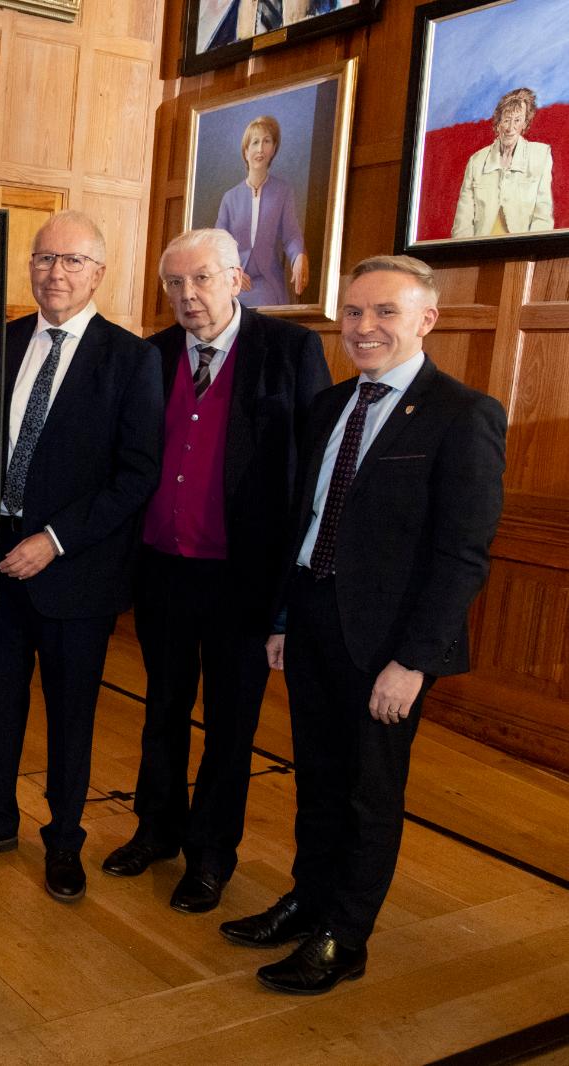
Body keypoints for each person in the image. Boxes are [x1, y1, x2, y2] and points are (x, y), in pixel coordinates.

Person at [221, 256, 506, 994]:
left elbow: (461, 555)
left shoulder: (461, 414)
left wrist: (413, 661)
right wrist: (284, 615)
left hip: (388, 644)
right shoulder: (330, 405)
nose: (364, 327)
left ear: (425, 320)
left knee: (367, 791)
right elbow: (307, 521)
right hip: (313, 617)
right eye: (353, 312)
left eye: (384, 312)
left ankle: (343, 937)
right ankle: (307, 902)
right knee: (314, 779)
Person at [0, 211, 163, 902]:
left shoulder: (130, 359)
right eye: (43, 259)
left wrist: (54, 539)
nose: (54, 273)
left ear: (97, 273)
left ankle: (63, 839)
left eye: (70, 261)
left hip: (74, 567)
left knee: (70, 716)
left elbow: (136, 473)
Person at [104, 228, 329, 912]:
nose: (187, 296)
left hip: (243, 581)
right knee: (161, 709)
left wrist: (287, 599)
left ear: (237, 279)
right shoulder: (154, 354)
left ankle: (210, 855)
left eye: (201, 279)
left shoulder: (289, 353)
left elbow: (308, 478)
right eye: (174, 283)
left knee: (230, 725)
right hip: (162, 569)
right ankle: (155, 829)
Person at [215, 116, 308, 307]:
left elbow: (291, 236)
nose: (260, 149)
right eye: (255, 142)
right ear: (246, 151)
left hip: (268, 283)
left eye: (266, 141)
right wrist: (233, 270)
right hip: (235, 282)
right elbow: (218, 245)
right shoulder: (230, 198)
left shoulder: (283, 191)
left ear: (273, 149)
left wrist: (299, 256)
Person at [451, 87, 555, 238]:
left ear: (525, 124)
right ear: (498, 123)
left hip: (523, 250)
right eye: (506, 120)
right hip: (480, 249)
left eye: (517, 120)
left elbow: (543, 217)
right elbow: (463, 222)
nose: (510, 128)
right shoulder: (477, 161)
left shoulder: (540, 155)